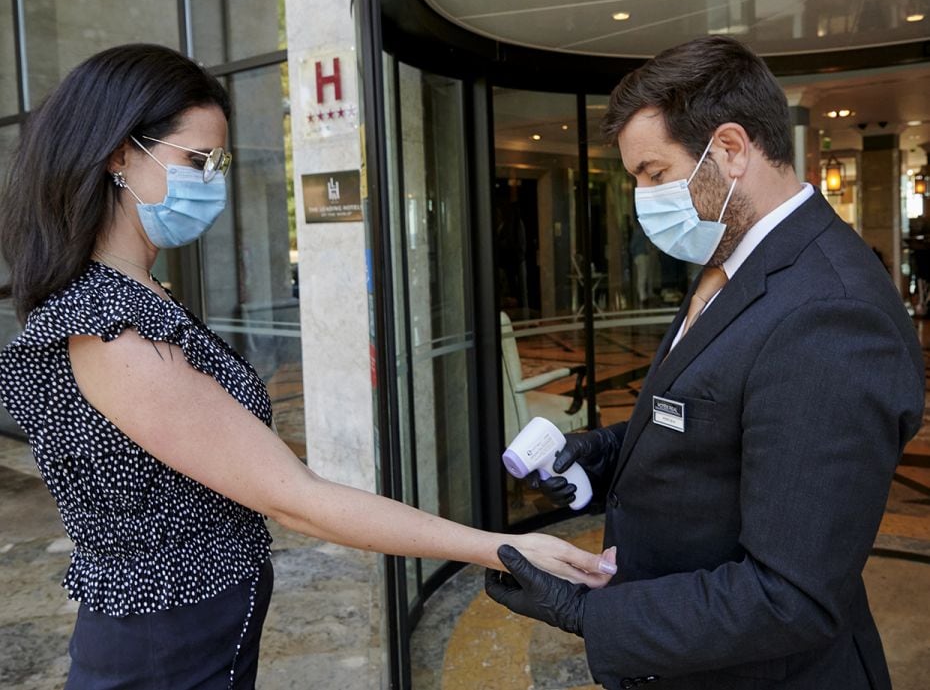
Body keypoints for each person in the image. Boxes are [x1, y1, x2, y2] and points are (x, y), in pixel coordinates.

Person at [0, 44, 616, 689]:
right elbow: (298, 501)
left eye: (220, 162)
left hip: (190, 628)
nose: (212, 180)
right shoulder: (109, 326)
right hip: (164, 644)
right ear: (122, 154)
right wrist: (502, 546)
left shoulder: (137, 293)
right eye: (197, 160)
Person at [486, 35, 924, 689]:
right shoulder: (733, 256)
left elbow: (791, 595)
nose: (643, 200)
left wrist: (590, 612)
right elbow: (714, 423)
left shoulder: (828, 314)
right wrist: (604, 455)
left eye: (654, 174)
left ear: (729, 150)